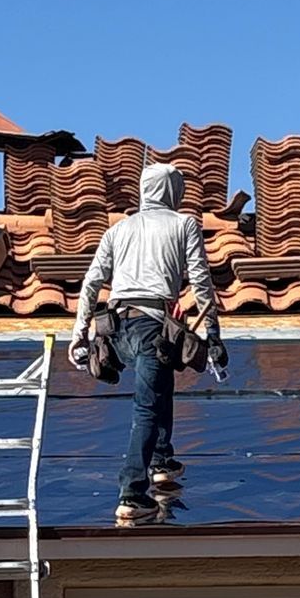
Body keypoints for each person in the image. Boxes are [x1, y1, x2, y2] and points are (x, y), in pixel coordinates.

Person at [71, 162, 225, 524]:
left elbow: (91, 283)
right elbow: (201, 282)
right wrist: (213, 336)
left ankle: (161, 460)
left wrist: (79, 335)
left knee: (160, 382)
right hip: (150, 326)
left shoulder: (118, 230)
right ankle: (132, 494)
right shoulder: (184, 224)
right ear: (175, 192)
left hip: (115, 329)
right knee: (146, 408)